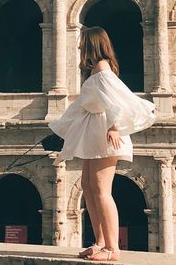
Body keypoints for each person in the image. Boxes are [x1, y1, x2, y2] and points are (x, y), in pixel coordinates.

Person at [48, 26, 155, 262]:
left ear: (91, 44)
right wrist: (61, 131)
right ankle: (100, 242)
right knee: (88, 186)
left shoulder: (103, 69)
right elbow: (81, 108)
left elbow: (119, 100)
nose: (78, 47)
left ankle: (112, 248)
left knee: (101, 190)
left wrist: (115, 126)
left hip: (105, 134)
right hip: (94, 133)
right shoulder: (96, 71)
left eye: (81, 42)